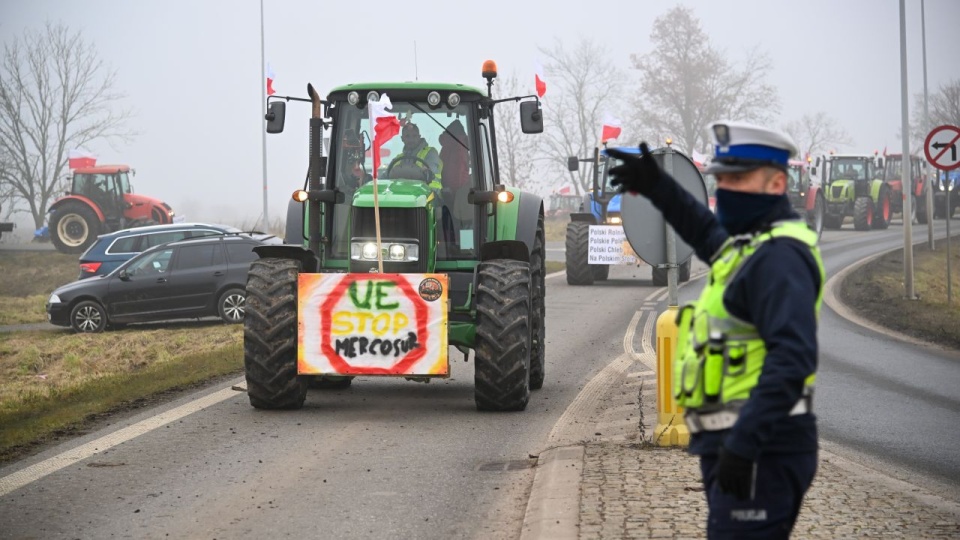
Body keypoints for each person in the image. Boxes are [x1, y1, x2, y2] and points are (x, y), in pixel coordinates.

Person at [607, 121, 824, 540]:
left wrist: (745, 444)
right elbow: (705, 232)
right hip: (738, 444)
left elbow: (792, 359)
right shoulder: (751, 247)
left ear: (778, 182)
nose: (726, 189)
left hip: (764, 447)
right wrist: (658, 187)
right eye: (721, 180)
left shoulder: (780, 257)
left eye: (739, 178)